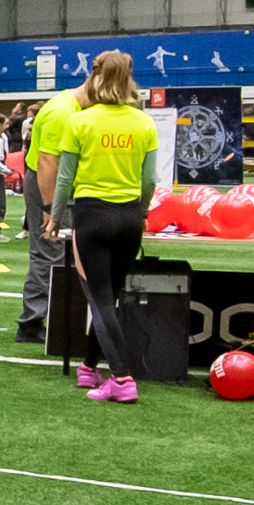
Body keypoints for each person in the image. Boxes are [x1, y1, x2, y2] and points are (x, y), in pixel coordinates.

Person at [52, 50, 161, 403]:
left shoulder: (79, 122)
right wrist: (142, 211)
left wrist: (54, 218)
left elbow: (64, 179)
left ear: (95, 76)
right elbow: (150, 180)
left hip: (92, 218)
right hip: (130, 219)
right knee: (109, 298)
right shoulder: (144, 123)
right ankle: (88, 367)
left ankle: (122, 377)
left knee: (100, 302)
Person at [16, 80, 84, 344]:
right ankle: (32, 321)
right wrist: (49, 209)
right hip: (48, 184)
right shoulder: (63, 112)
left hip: (57, 184)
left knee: (59, 252)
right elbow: (47, 161)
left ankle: (56, 318)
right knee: (50, 250)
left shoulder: (68, 105)